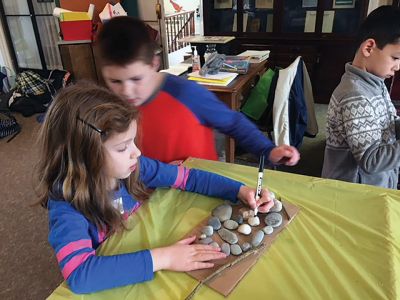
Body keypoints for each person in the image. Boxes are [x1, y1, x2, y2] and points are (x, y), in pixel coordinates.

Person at [35, 83, 275, 294]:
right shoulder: (67, 207)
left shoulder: (135, 167)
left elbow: (189, 178)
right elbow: (80, 275)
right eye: (122, 148)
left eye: (133, 142)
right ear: (83, 156)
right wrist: (165, 257)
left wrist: (239, 191)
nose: (137, 153)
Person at [96, 16, 300, 166]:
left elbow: (233, 122)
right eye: (114, 81)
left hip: (199, 189)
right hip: (147, 195)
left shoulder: (186, 93)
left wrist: (268, 150)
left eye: (136, 79)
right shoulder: (106, 106)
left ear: (154, 64)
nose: (126, 91)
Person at [322, 5, 400, 189]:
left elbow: (386, 123)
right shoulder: (355, 96)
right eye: (395, 58)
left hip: (374, 184)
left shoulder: (376, 83)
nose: (398, 67)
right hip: (353, 192)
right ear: (369, 47)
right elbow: (371, 161)